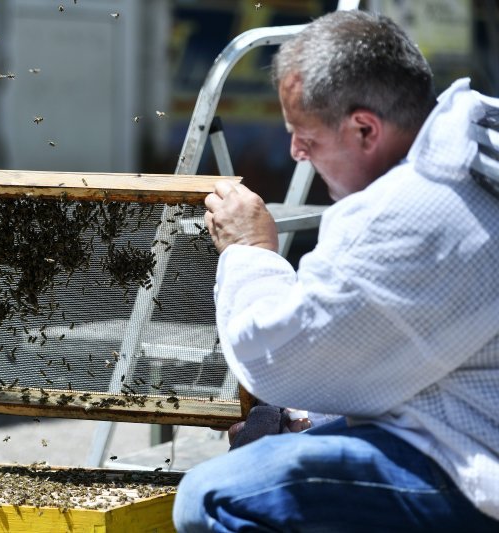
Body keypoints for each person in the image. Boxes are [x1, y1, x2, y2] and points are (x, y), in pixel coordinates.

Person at [173, 9, 499, 532]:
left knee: (215, 496)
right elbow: (409, 352)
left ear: (365, 128)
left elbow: (278, 360)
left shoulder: (412, 213)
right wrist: (307, 420)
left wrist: (251, 251)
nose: (296, 153)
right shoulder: (481, 137)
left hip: (480, 473)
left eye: (307, 136)